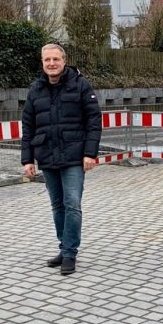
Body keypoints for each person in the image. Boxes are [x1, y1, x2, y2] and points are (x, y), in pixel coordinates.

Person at [21, 43, 102, 276]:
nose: (52, 64)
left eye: (55, 59)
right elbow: (28, 126)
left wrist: (90, 153)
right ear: (42, 63)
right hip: (47, 156)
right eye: (47, 60)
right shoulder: (36, 89)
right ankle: (64, 246)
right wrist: (27, 159)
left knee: (72, 205)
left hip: (74, 157)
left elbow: (93, 122)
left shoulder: (81, 86)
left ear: (64, 61)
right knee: (57, 206)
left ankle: (69, 253)